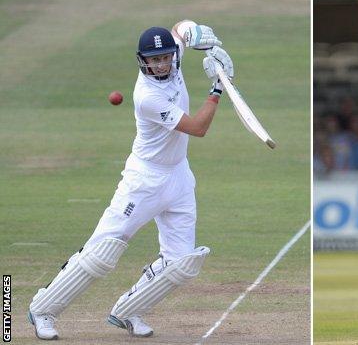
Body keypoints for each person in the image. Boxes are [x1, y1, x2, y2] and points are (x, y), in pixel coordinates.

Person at [27, 20, 234, 340]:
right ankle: (43, 309)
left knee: (181, 263)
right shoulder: (147, 96)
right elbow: (198, 128)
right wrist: (218, 85)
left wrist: (192, 30)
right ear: (144, 61)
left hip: (179, 175)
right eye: (154, 60)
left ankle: (129, 309)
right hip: (144, 180)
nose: (161, 64)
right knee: (102, 252)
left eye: (166, 57)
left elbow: (179, 31)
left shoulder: (173, 54)